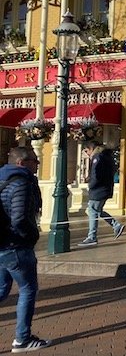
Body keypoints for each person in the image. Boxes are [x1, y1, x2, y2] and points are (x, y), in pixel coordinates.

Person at [0, 147, 50, 352]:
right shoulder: (21, 182)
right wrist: (31, 235)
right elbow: (19, 217)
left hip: (2, 244)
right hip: (16, 245)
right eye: (34, 161)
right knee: (28, 290)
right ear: (22, 162)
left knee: (2, 289)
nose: (36, 165)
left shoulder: (2, 178)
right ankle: (23, 338)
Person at [77, 140, 124, 247]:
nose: (86, 154)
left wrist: (91, 185)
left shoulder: (97, 158)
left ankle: (92, 236)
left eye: (86, 151)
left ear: (90, 148)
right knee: (97, 210)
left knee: (92, 211)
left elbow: (96, 174)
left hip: (98, 190)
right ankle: (116, 225)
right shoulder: (106, 156)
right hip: (106, 188)